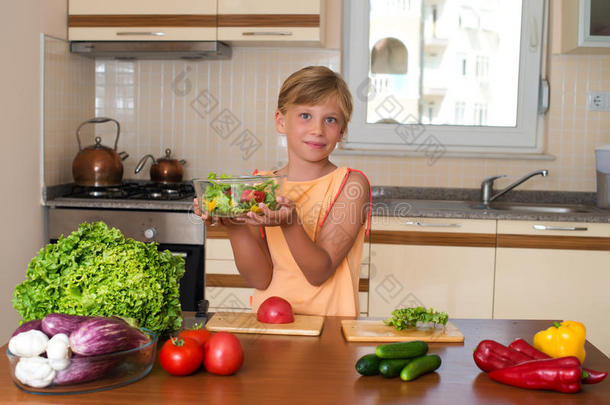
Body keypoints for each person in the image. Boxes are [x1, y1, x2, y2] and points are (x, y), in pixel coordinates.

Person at [194, 66, 371, 317]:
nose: (318, 130)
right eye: (305, 116)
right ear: (281, 121)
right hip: (270, 324)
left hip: (330, 329)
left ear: (341, 131)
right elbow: (260, 279)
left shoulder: (351, 185)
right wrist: (233, 225)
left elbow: (319, 272)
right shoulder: (260, 185)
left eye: (330, 119)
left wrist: (290, 223)